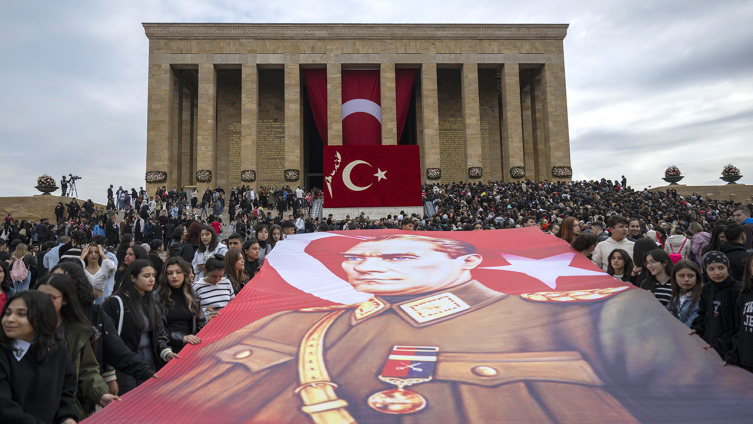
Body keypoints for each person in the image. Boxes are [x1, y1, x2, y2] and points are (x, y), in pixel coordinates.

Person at [153, 234, 753, 423]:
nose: (367, 265)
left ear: (466, 259)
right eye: (361, 258)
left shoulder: (590, 318)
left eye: (397, 257)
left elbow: (706, 400)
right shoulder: (291, 324)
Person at [51, 261, 156, 398]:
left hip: (80, 393)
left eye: (153, 275)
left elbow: (113, 348)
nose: (56, 285)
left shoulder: (93, 313)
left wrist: (149, 374)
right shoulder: (37, 318)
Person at [36, 274, 119, 417]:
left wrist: (100, 394)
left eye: (51, 298)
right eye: (39, 297)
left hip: (67, 408)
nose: (43, 302)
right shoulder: (26, 328)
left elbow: (87, 370)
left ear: (66, 300)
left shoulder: (78, 332)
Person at [0, 290, 78, 424]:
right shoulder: (3, 353)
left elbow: (67, 391)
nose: (10, 319)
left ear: (41, 318)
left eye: (21, 314)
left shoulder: (57, 351)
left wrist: (67, 417)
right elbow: (4, 407)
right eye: (7, 313)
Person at [102, 260, 177, 394]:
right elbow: (107, 341)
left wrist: (165, 352)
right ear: (133, 278)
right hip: (124, 368)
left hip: (149, 364)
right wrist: (109, 375)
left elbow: (159, 333)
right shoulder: (115, 303)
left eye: (153, 275)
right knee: (127, 408)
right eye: (146, 276)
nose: (151, 280)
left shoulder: (151, 302)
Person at [691, 251, 742, 359]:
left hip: (729, 348)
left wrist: (721, 344)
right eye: (711, 269)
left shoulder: (737, 290)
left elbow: (739, 325)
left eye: (721, 268)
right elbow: (703, 313)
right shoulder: (707, 288)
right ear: (706, 271)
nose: (717, 273)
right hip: (708, 342)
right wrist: (697, 327)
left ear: (727, 268)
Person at [155, 257, 203, 354]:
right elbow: (158, 330)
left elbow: (200, 322)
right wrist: (182, 338)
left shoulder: (192, 294)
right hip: (167, 347)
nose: (174, 276)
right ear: (165, 275)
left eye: (178, 272)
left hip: (192, 345)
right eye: (170, 273)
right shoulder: (157, 297)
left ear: (185, 273)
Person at [725, 253, 753, 371]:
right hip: (747, 360)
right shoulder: (744, 295)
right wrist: (733, 354)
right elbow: (739, 329)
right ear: (749, 270)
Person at [666, 260, 703, 327]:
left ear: (697, 278)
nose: (686, 279)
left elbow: (689, 326)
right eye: (681, 276)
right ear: (675, 278)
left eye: (690, 276)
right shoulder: (677, 296)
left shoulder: (700, 298)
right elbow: (664, 313)